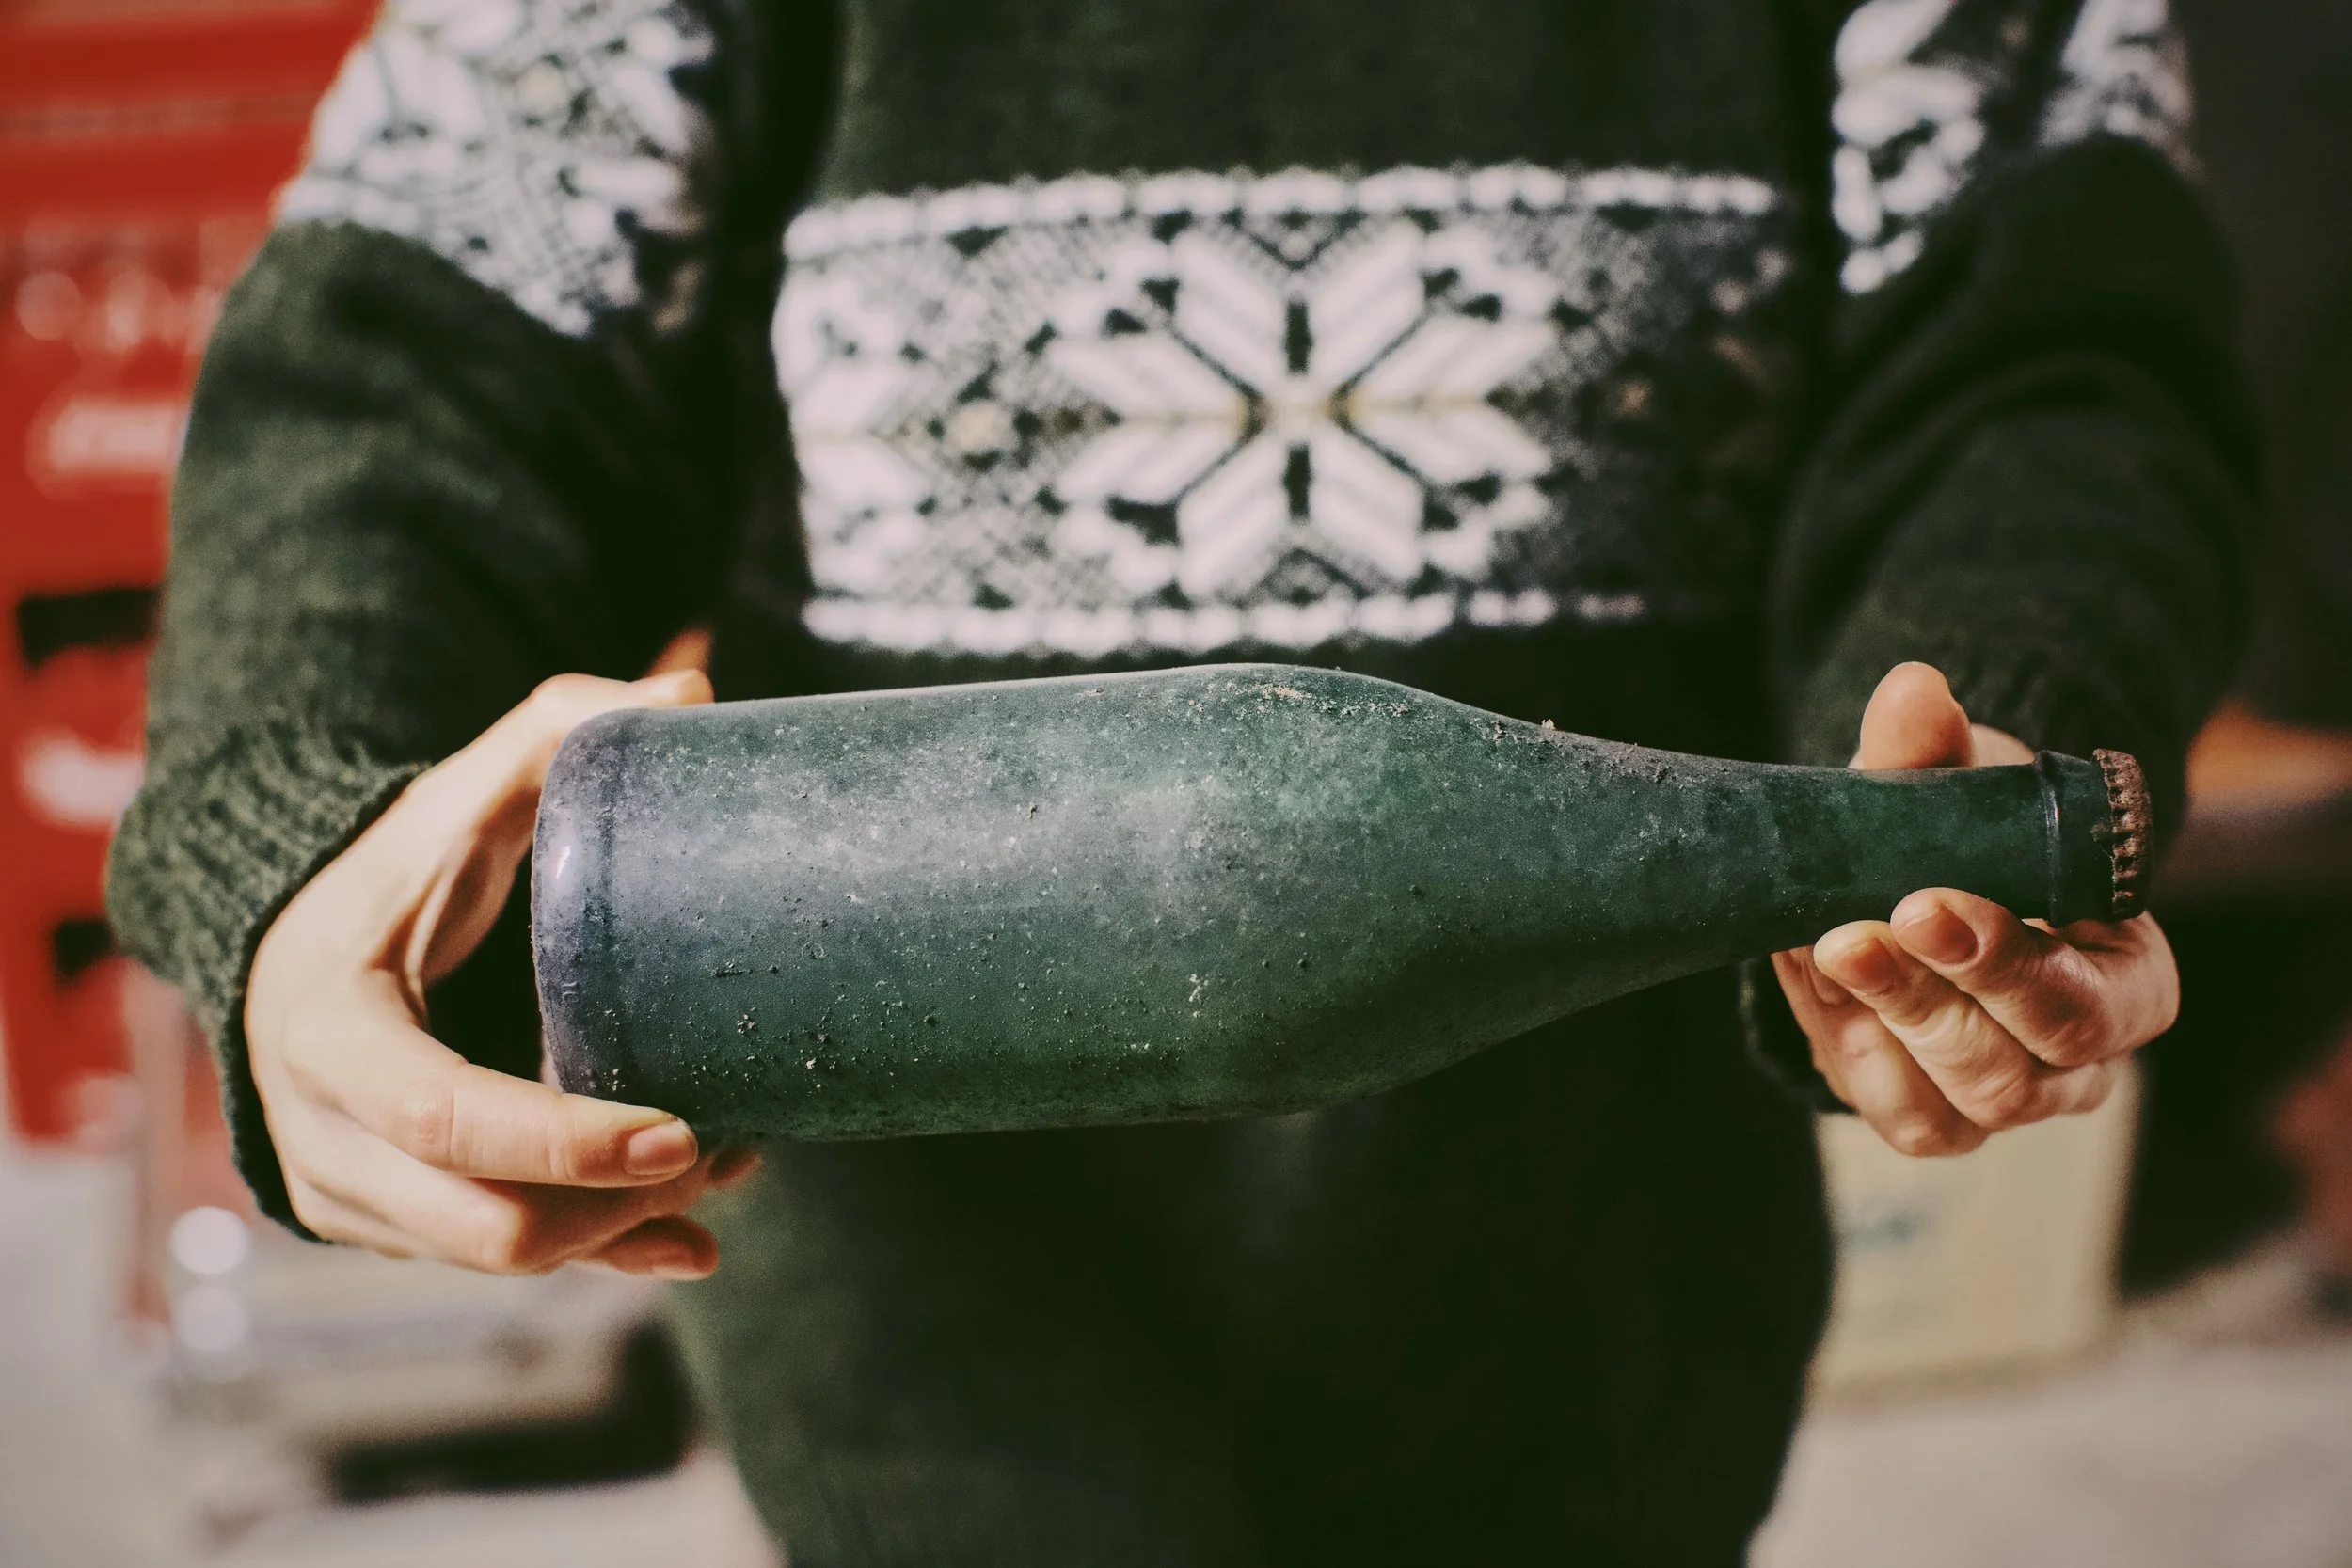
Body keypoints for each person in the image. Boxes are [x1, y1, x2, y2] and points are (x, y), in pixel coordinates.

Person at [108, 0, 2251, 1560]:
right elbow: (411, 365)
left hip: (1609, 1330)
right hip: (926, 1370)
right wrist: (304, 840)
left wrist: (1967, 752)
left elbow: (2046, 357)